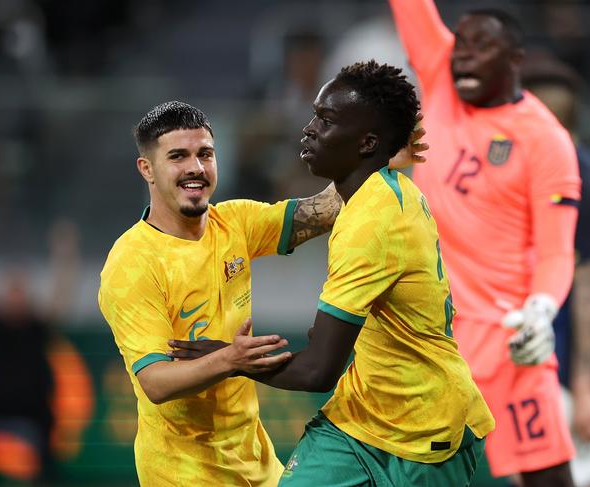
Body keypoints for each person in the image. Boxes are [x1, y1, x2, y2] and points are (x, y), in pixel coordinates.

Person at [171, 60, 495, 487]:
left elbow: (317, 371)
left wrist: (229, 360)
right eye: (314, 115)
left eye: (326, 120)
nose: (308, 129)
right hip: (358, 418)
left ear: (365, 143)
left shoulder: (372, 225)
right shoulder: (373, 191)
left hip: (424, 433)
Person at [98, 100, 428, 485]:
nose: (196, 168)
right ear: (147, 169)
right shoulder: (132, 264)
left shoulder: (234, 222)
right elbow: (154, 382)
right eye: (178, 156)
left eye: (205, 153)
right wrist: (230, 359)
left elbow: (322, 210)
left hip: (258, 468)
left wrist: (379, 159)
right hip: (185, 475)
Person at [387, 1, 582, 484]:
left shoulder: (546, 141)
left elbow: (558, 251)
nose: (464, 56)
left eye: (483, 46)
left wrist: (541, 310)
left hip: (507, 342)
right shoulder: (441, 81)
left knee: (548, 478)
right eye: (461, 45)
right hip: (430, 339)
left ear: (515, 58)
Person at [0, 220, 84, 482]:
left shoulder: (37, 328)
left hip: (34, 412)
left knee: (48, 453)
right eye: (12, 291)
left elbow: (62, 296)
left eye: (20, 291)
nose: (16, 296)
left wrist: (65, 254)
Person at [522, 49, 590, 486]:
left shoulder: (580, 173)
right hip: (517, 349)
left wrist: (585, 380)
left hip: (564, 354)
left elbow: (585, 281)